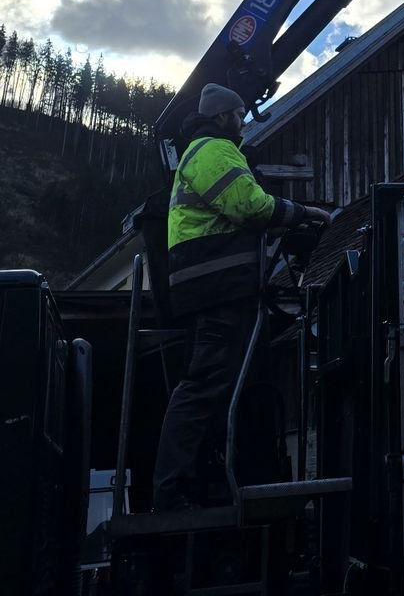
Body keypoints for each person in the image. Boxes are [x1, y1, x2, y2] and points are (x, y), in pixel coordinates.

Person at [152, 83, 331, 512]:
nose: (243, 122)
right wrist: (307, 214)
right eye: (237, 114)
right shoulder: (213, 150)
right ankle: (173, 489)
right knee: (204, 385)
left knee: (220, 386)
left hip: (211, 287)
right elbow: (250, 207)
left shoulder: (198, 153)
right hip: (219, 288)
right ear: (220, 117)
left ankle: (197, 480)